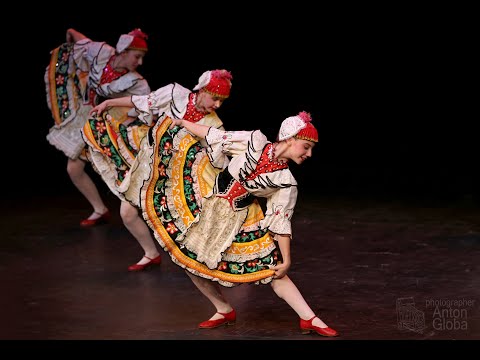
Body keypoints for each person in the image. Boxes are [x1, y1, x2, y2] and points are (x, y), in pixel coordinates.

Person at [133, 110, 339, 336]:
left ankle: (309, 318)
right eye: (306, 146)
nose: (309, 154)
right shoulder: (254, 141)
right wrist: (183, 122)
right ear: (289, 139)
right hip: (210, 203)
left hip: (241, 216)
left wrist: (286, 259)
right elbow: (214, 135)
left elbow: (281, 219)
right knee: (189, 261)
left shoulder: (286, 182)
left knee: (272, 270)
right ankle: (223, 309)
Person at [84, 70, 257, 272]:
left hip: (176, 175)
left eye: (222, 101)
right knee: (127, 213)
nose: (217, 105)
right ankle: (151, 254)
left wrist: (235, 181)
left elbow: (218, 158)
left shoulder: (213, 123)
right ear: (202, 90)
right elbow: (144, 100)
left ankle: (226, 260)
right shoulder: (175, 94)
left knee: (200, 219)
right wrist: (108, 103)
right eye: (215, 98)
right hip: (149, 162)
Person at [44, 28, 150, 227]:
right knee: (74, 168)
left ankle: (144, 214)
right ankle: (101, 210)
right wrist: (70, 33)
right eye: (137, 56)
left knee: (120, 172)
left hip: (115, 126)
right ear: (123, 51)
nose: (140, 62)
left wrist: (119, 131)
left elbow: (143, 108)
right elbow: (81, 40)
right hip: (90, 118)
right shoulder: (101, 52)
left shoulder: (137, 83)